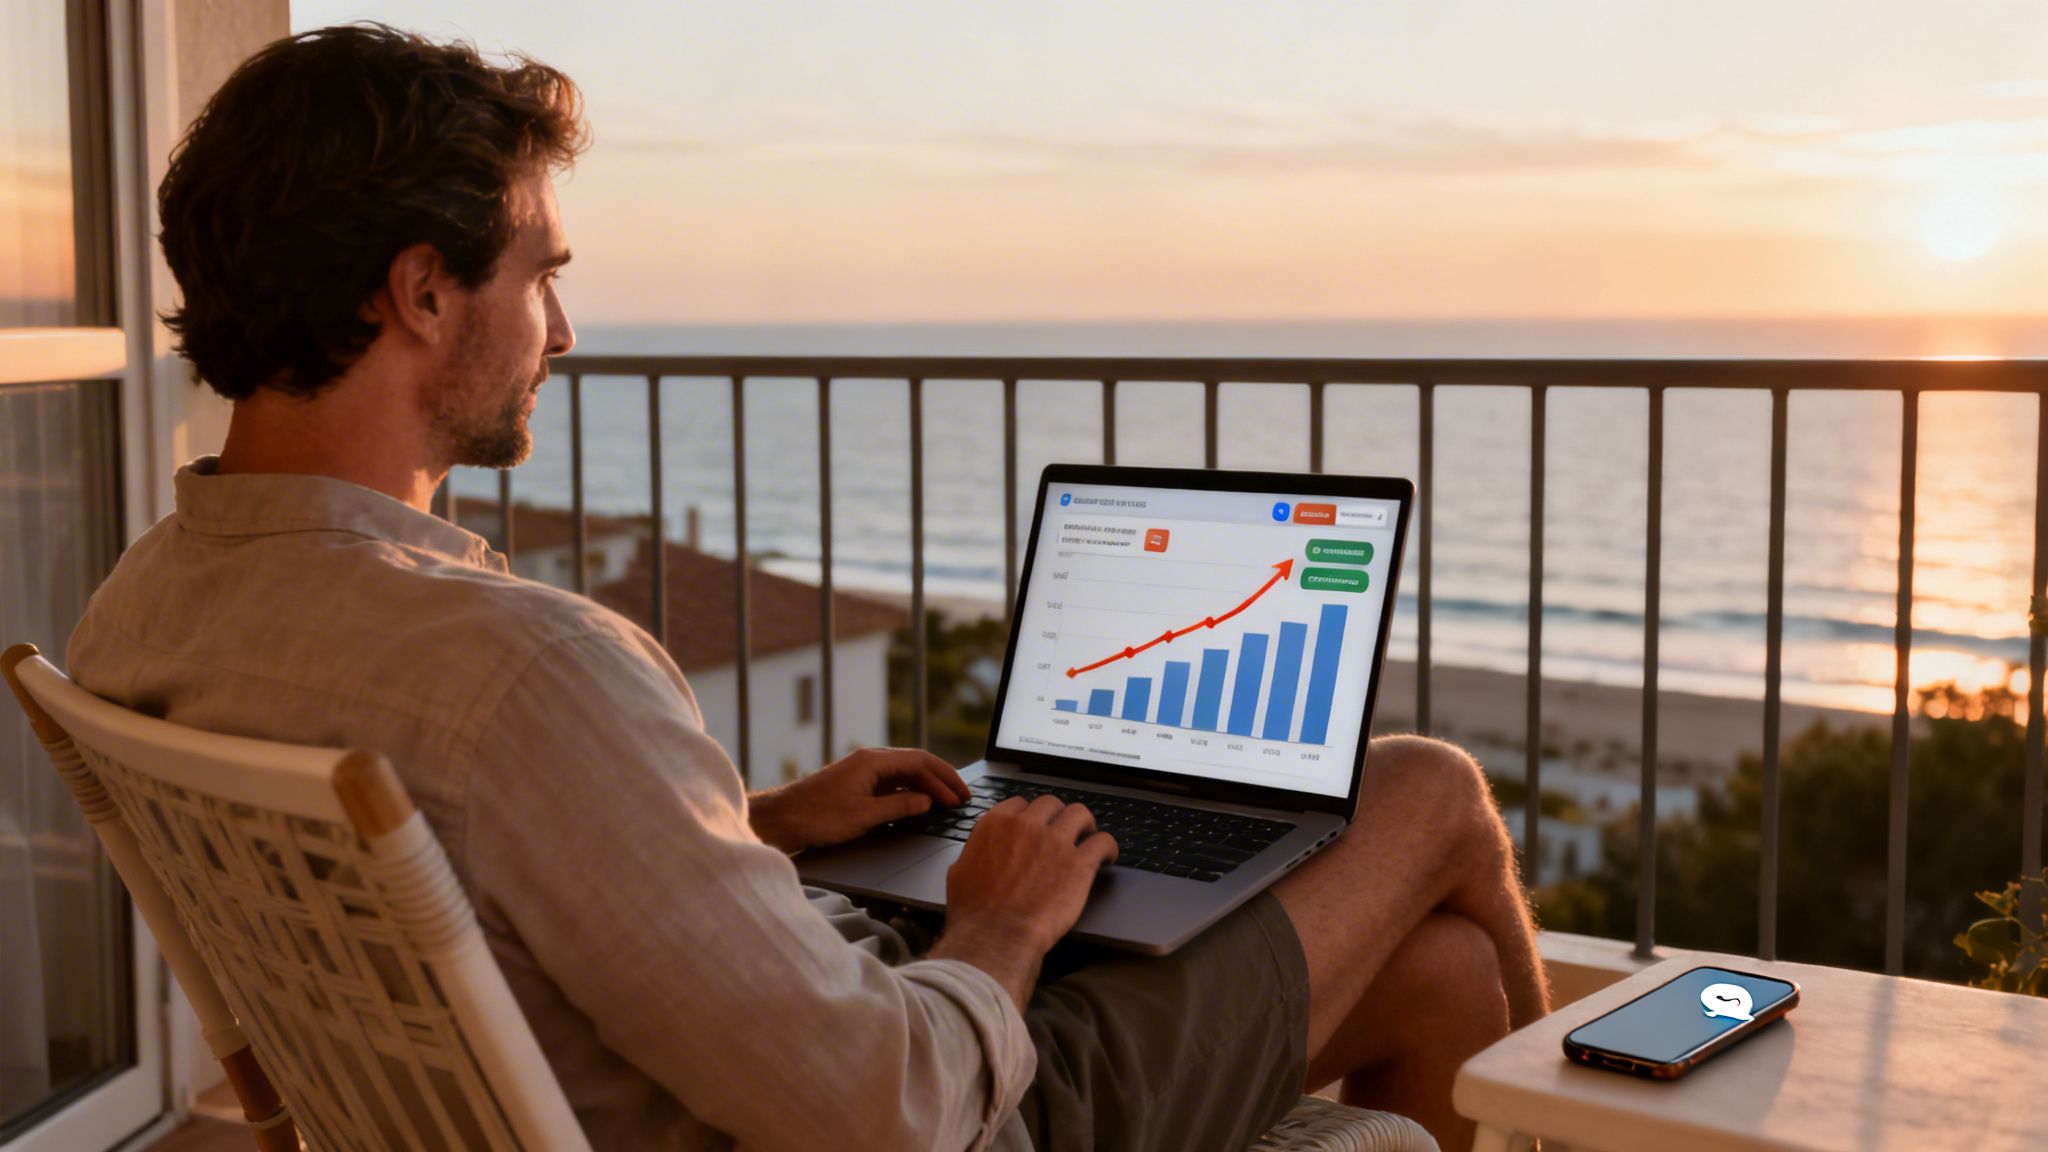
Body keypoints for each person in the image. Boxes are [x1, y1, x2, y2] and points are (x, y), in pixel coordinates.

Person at [71, 24, 1547, 1151]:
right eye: (539, 274)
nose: (563, 331)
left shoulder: (140, 613)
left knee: (1438, 974)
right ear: (422, 292)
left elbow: (485, 873)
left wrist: (748, 828)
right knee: (1421, 787)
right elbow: (887, 1105)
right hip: (947, 1106)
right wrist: (1007, 925)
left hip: (703, 1057)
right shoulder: (517, 670)